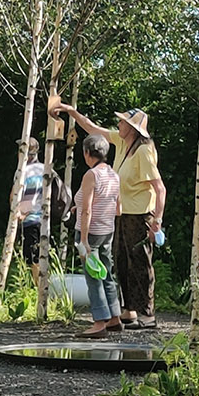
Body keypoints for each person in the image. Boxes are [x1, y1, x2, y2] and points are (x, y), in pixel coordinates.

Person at [48, 101, 165, 329]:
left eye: (123, 121)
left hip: (141, 215)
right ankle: (129, 310)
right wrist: (72, 112)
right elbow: (93, 129)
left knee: (139, 263)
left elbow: (159, 188)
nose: (119, 124)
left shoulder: (144, 151)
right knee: (120, 261)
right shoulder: (122, 142)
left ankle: (147, 314)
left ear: (133, 128)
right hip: (121, 213)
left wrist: (157, 221)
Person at [73, 133, 121, 337]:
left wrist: (83, 240)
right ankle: (115, 317)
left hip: (90, 232)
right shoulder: (113, 174)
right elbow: (118, 208)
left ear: (86, 153)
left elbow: (87, 209)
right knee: (107, 273)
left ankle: (99, 322)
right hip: (107, 230)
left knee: (93, 276)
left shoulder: (91, 175)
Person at [12, 143, 46, 268]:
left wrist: (16, 213)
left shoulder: (22, 172)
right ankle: (40, 285)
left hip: (27, 218)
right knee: (40, 256)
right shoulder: (45, 169)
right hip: (44, 219)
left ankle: (35, 286)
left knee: (31, 259)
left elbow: (14, 195)